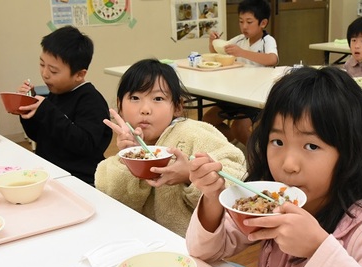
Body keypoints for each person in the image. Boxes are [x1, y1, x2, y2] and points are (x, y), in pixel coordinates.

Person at [186, 66, 362, 267]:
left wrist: (318, 249)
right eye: (278, 142)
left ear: (349, 153)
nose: (288, 165)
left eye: (311, 145)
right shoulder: (269, 204)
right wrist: (212, 197)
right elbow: (203, 251)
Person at [95, 59, 246, 237]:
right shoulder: (128, 147)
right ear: (120, 105)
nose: (144, 109)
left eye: (158, 98)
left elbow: (236, 171)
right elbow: (112, 199)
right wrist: (126, 160)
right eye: (135, 98)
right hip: (140, 241)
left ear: (177, 107)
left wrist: (191, 175)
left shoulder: (192, 133)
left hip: (189, 247)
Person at [17, 26, 112, 186]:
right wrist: (28, 108)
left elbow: (85, 145)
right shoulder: (56, 92)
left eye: (53, 71)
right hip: (50, 172)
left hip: (79, 179)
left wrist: (47, 111)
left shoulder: (91, 101)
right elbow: (38, 136)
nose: (45, 74)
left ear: (79, 74)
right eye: (42, 64)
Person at [203, 0, 278, 147]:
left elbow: (272, 59)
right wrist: (213, 42)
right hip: (235, 94)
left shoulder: (267, 41)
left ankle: (259, 158)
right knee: (208, 120)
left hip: (255, 96)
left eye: (249, 22)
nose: (244, 26)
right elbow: (219, 51)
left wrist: (243, 53)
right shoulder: (239, 39)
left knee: (240, 127)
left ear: (263, 23)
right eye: (241, 21)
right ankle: (231, 141)